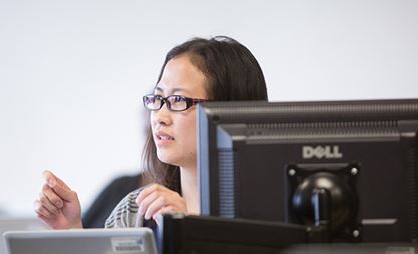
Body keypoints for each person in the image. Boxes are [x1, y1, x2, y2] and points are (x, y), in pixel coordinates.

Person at [33, 35, 268, 229]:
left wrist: (192, 233)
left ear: (228, 110)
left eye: (178, 99)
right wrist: (72, 232)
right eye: (158, 98)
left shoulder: (272, 216)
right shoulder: (136, 210)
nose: (160, 117)